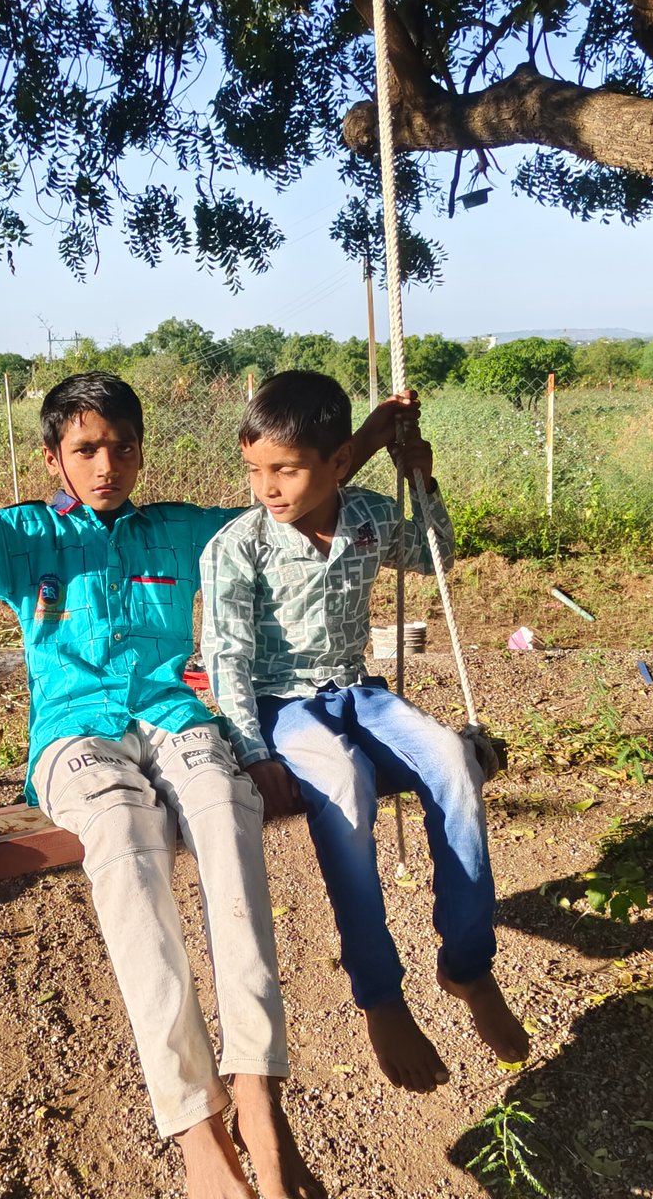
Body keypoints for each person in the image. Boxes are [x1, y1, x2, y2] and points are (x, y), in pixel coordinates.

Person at [0, 360, 406, 1199]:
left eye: (121, 448)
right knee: (125, 847)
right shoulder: (26, 539)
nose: (106, 466)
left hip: (177, 719)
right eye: (86, 449)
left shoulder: (177, 531)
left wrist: (367, 442)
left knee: (228, 820)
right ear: (54, 458)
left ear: (140, 454)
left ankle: (258, 1097)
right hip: (74, 741)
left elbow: (289, 499)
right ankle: (196, 1127)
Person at [199, 370, 528, 1096]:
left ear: (338, 463)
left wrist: (425, 481)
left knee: (451, 759)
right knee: (343, 785)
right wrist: (254, 753)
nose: (268, 488)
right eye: (255, 470)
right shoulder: (238, 546)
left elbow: (435, 552)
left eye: (285, 470)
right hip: (282, 704)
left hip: (358, 691)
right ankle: (381, 995)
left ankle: (467, 967)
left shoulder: (371, 516)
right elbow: (226, 657)